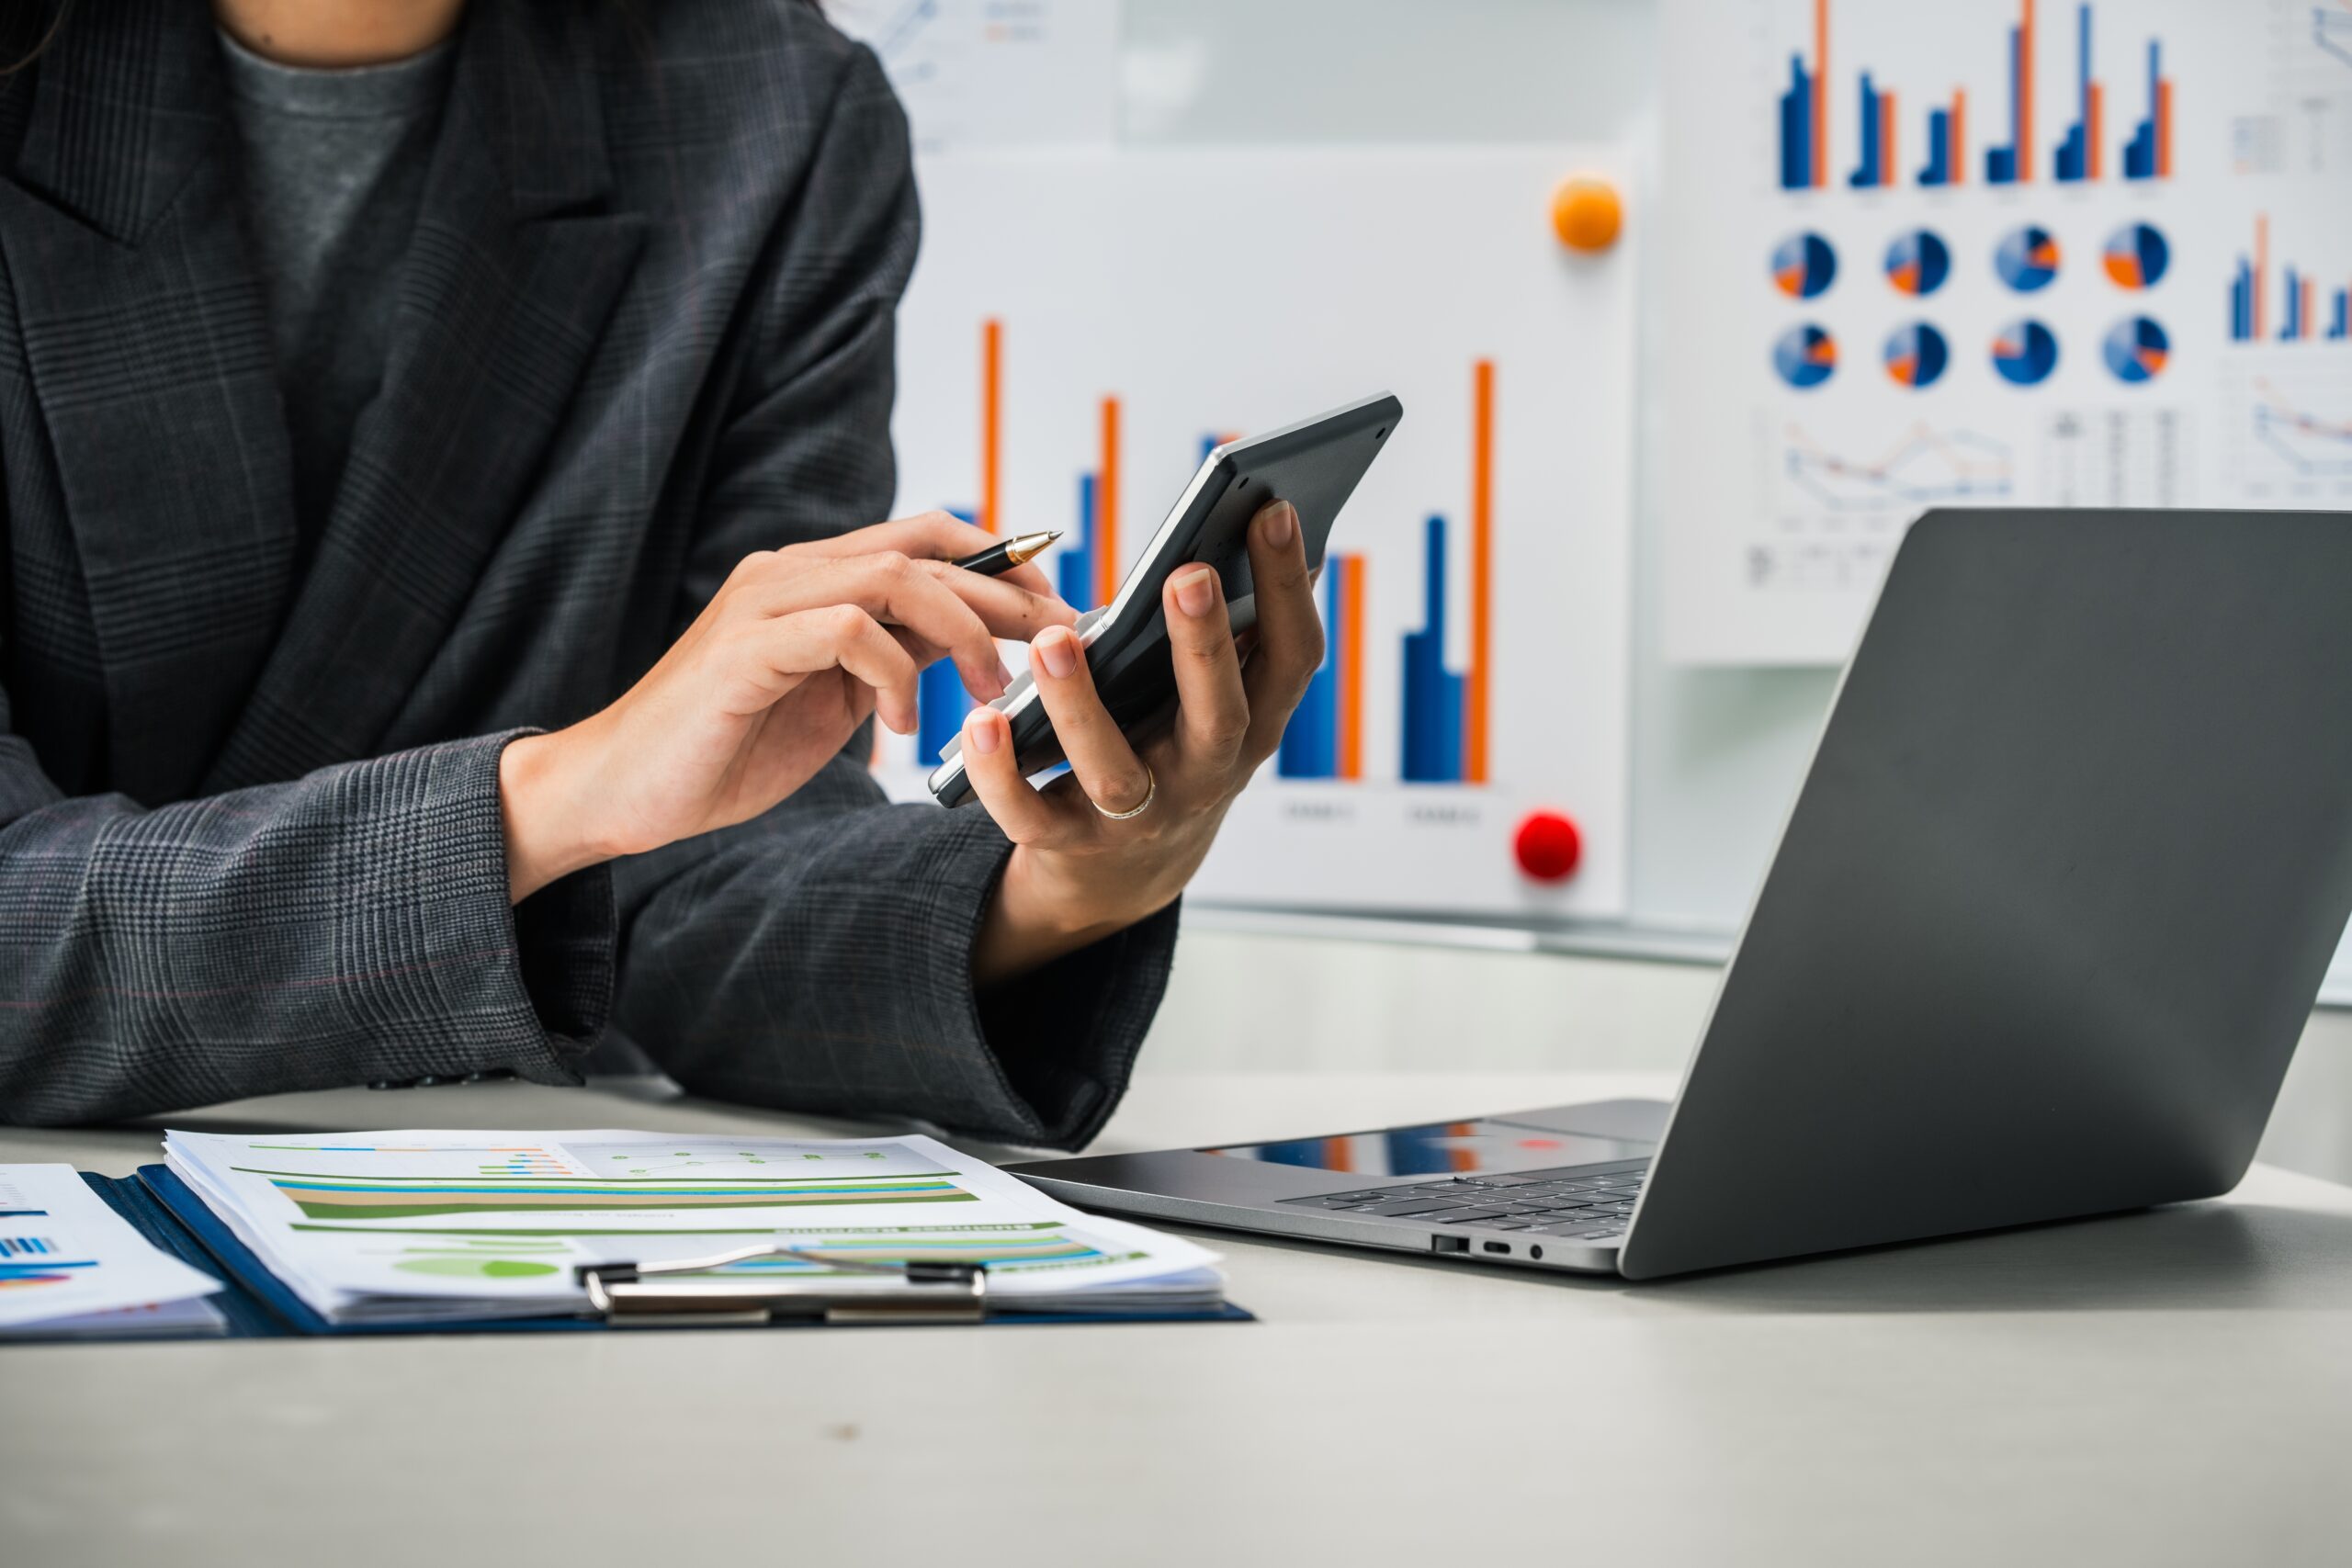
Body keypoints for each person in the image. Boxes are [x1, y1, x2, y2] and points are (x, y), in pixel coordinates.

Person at [0, 0, 1321, 1139]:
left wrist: (1057, 895)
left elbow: (695, 876)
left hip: (510, 1218)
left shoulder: (769, 119)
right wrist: (553, 797)